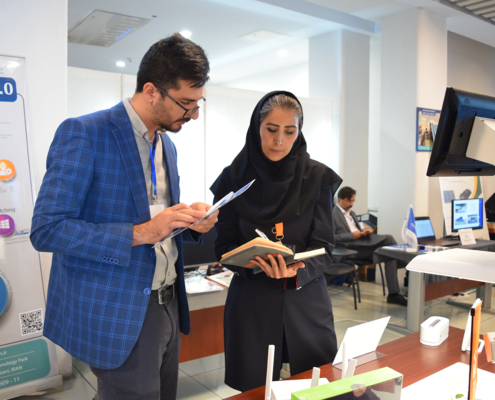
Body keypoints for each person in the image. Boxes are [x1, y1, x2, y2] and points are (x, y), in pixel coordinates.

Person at [30, 33, 218, 400]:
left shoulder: (168, 144)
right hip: (120, 310)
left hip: (169, 302)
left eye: (198, 104)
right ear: (151, 91)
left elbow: (157, 219)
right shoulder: (85, 133)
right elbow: (47, 229)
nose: (194, 115)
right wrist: (140, 233)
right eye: (185, 103)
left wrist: (189, 222)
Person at [210, 91, 342, 392]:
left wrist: (296, 270)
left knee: (315, 387)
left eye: (289, 131)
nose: (279, 140)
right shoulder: (232, 179)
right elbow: (223, 246)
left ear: (299, 132)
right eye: (271, 129)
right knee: (255, 390)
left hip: (305, 300)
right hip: (252, 303)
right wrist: (252, 263)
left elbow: (324, 247)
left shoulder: (317, 177)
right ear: (257, 127)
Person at [333, 186, 407, 306]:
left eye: (353, 201)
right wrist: (352, 236)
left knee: (390, 255)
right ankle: (406, 264)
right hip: (349, 249)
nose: (352, 204)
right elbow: (332, 237)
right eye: (349, 201)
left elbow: (355, 228)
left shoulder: (351, 213)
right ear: (340, 199)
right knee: (388, 239)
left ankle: (393, 295)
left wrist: (363, 230)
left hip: (362, 243)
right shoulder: (333, 214)